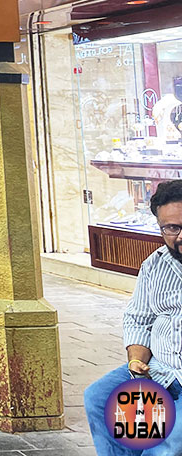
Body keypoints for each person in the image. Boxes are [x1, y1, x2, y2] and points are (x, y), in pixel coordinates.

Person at [84, 180, 182, 455]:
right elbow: (139, 318)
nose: (180, 236)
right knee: (99, 399)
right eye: (171, 228)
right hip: (160, 371)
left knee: (165, 447)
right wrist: (136, 361)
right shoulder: (154, 265)